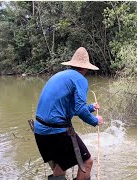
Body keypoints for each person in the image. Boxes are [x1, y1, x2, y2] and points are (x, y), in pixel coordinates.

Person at [34, 47, 103, 180]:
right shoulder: (80, 79)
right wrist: (96, 121)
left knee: (60, 166)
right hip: (56, 131)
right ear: (86, 68)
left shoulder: (60, 76)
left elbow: (71, 109)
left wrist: (90, 107)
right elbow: (80, 110)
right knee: (87, 162)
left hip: (40, 130)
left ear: (72, 64)